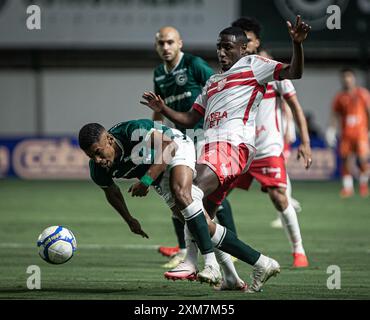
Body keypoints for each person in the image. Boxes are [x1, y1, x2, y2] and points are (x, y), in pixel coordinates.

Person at [141, 16, 311, 291]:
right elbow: (187, 118)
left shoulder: (255, 65)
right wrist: (163, 108)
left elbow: (294, 72)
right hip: (210, 148)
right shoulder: (213, 83)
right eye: (219, 46)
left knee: (187, 193)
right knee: (201, 215)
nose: (222, 51)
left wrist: (297, 44)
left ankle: (197, 261)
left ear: (244, 49)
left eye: (228, 47)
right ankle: (236, 275)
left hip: (233, 146)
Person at [78, 119, 248, 288]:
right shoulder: (97, 169)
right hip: (158, 173)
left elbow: (169, 146)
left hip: (176, 147)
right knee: (196, 223)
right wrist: (129, 219)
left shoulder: (131, 131)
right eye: (91, 156)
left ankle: (212, 265)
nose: (97, 159)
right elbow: (112, 192)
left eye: (98, 152)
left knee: (189, 208)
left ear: (109, 139)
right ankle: (234, 276)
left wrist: (145, 181)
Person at [152, 26, 237, 268]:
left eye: (170, 42)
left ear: (180, 43)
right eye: (161, 44)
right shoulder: (159, 73)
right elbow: (158, 108)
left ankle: (230, 245)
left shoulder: (193, 64)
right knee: (176, 191)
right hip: (179, 138)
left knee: (206, 192)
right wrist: (157, 134)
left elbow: (217, 87)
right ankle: (183, 250)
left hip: (203, 135)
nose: (166, 48)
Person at [326, 68, 370, 197]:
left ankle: (363, 185)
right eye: (344, 77)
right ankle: (348, 188)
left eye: (349, 77)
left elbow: (368, 112)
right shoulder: (339, 97)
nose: (347, 80)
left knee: (362, 160)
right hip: (346, 134)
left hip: (361, 133)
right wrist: (331, 130)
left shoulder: (363, 94)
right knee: (345, 160)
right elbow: (335, 115)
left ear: (354, 78)